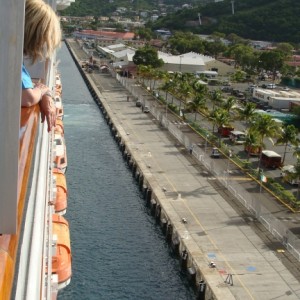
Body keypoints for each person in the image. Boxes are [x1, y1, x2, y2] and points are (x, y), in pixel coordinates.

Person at [21, 0, 62, 132]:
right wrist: (41, 91)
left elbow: (24, 86)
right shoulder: (10, 59)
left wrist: (44, 93)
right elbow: (28, 98)